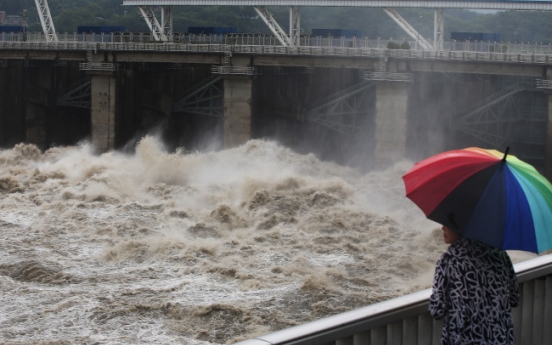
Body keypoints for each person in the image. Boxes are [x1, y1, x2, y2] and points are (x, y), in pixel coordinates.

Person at [429, 225, 520, 345]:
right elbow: (514, 299)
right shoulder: (501, 256)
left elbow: (437, 310)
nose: (442, 228)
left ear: (460, 228)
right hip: (500, 339)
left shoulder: (449, 260)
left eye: (448, 224)